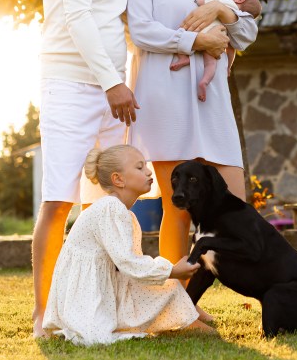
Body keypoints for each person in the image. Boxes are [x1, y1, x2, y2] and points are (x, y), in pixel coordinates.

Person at [32, 0, 159, 338]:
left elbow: (130, 23)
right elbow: (78, 17)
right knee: (59, 200)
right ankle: (43, 313)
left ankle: (96, 307)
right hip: (71, 87)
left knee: (108, 205)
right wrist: (112, 83)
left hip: (113, 95)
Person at [126, 0, 259, 268]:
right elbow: (142, 31)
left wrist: (220, 11)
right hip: (166, 102)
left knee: (234, 203)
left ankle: (249, 283)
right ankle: (176, 295)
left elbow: (247, 33)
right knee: (179, 209)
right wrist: (196, 41)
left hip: (211, 105)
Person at [41, 145, 215, 344]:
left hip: (106, 285)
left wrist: (166, 275)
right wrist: (172, 270)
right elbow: (128, 262)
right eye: (140, 168)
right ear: (118, 179)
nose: (148, 171)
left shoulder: (121, 211)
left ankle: (186, 321)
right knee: (166, 283)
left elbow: (129, 265)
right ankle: (188, 323)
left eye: (146, 166)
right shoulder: (111, 208)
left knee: (167, 287)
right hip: (85, 294)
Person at [170, 0, 262, 101]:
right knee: (211, 64)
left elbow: (200, 1)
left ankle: (183, 58)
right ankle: (205, 81)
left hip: (199, 30)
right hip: (217, 39)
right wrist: (228, 67)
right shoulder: (234, 16)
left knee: (182, 34)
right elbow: (231, 48)